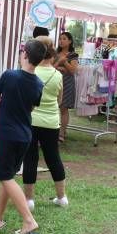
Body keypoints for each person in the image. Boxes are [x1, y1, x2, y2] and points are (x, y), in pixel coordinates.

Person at [0, 39, 45, 234]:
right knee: (8, 177)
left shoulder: (9, 75)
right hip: (24, 136)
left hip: (8, 135)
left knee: (5, 177)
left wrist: (1, 101)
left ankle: (29, 221)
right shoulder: (39, 83)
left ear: (25, 54)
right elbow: (28, 106)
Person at [23, 38, 68, 209]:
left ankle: (29, 200)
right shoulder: (58, 75)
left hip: (31, 120)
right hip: (51, 122)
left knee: (30, 158)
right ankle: (62, 197)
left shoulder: (31, 72)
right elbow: (59, 100)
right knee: (53, 157)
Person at [54, 31, 79, 142]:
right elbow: (50, 66)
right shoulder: (55, 53)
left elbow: (73, 71)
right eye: (60, 39)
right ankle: (54, 130)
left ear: (70, 41)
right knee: (54, 107)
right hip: (54, 82)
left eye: (64, 39)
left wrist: (64, 63)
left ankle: (62, 132)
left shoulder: (73, 55)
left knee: (63, 108)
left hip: (67, 83)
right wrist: (59, 65)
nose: (61, 41)